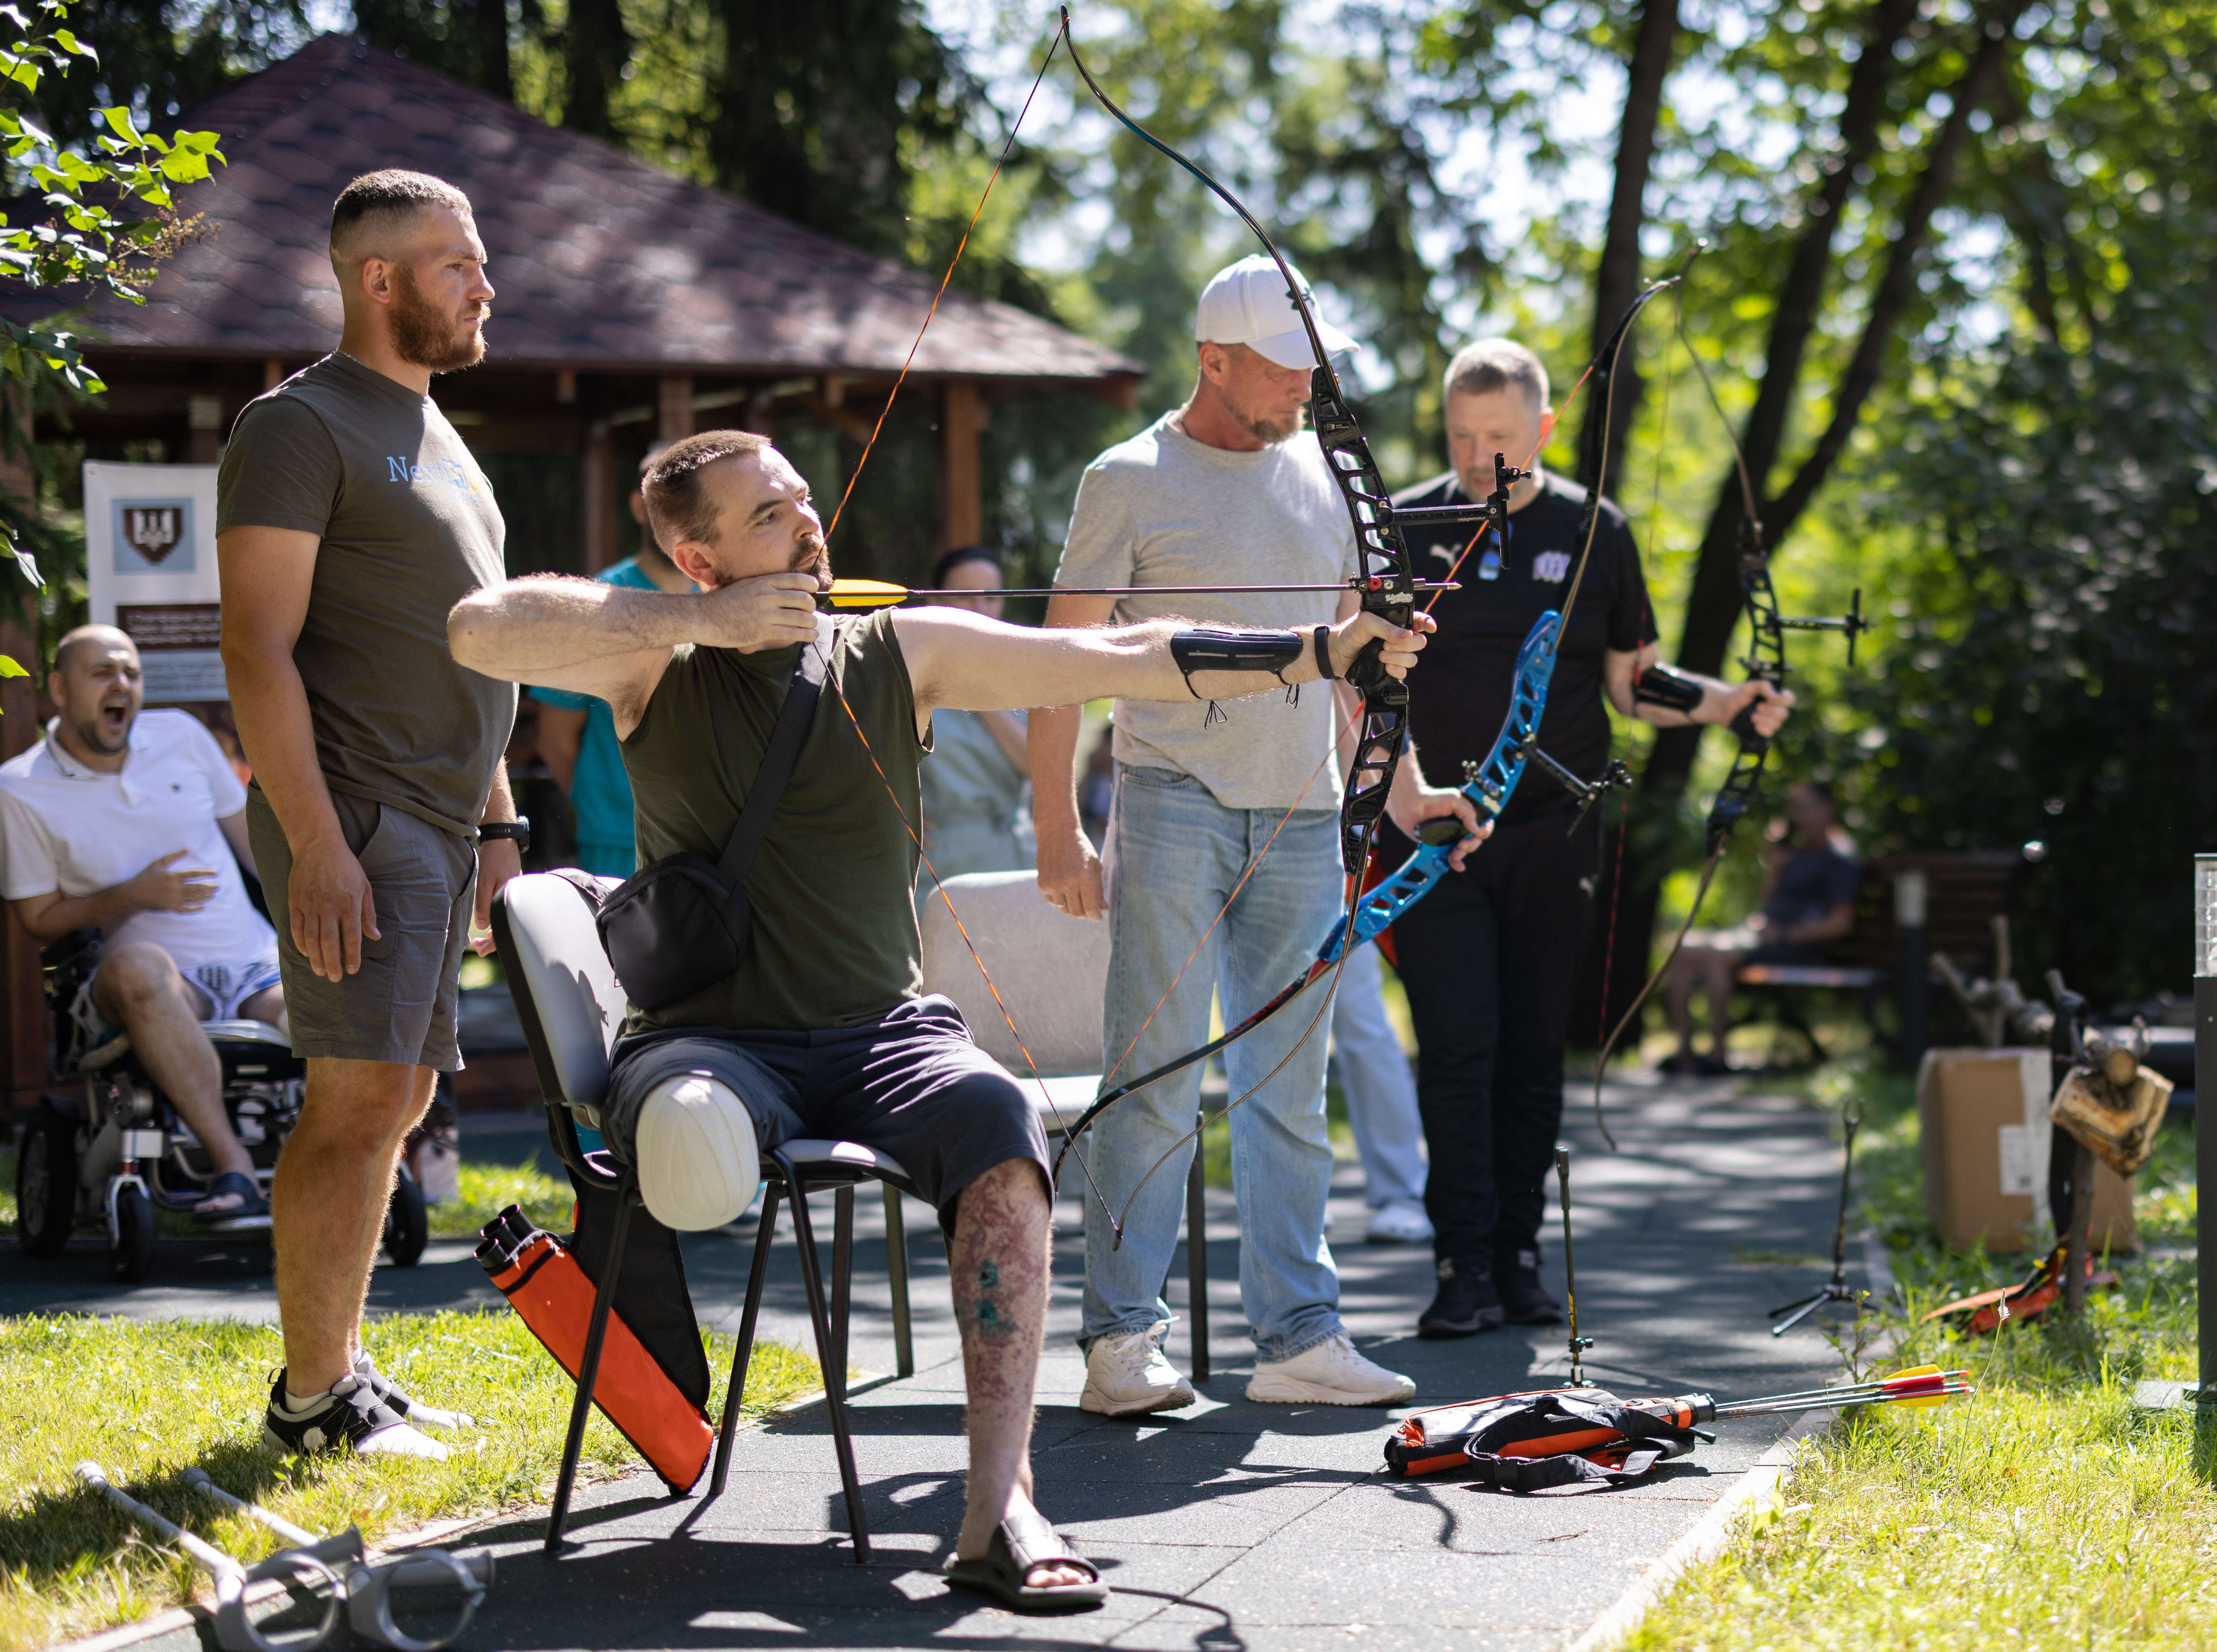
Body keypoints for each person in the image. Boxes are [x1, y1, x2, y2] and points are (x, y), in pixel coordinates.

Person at [445, 428, 1430, 1611]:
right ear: (696, 557)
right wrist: (697, 622)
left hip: (881, 1035)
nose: (805, 523)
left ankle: (999, 1502)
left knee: (998, 1121)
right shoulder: (653, 661)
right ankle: (695, 1163)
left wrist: (1318, 649)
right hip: (711, 1039)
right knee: (694, 1126)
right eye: (765, 516)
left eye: (801, 499)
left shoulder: (896, 648)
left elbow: (1114, 653)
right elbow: (478, 629)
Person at [1032, 255, 1480, 1417]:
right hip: (1170, 799)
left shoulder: (1325, 480)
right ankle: (1121, 1341)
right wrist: (1058, 830)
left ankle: (1298, 1337)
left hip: (1303, 813)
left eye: (1312, 371)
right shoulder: (1126, 478)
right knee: (1154, 1075)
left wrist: (1409, 793)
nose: (1303, 390)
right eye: (1282, 370)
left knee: (1288, 1082)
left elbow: (1350, 665)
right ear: (1213, 360)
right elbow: (1058, 666)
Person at [1383, 339, 1790, 1339]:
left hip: (1553, 828)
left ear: (1543, 428)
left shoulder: (1594, 528)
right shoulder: (1401, 524)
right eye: (1461, 436)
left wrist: (1728, 702)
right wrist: (1411, 796)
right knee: (1457, 1046)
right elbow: (1368, 686)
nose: (1478, 458)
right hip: (1435, 833)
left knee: (1532, 1045)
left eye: (1500, 437)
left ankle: (1519, 1256)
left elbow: (1631, 681)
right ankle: (1461, 1263)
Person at [218, 168, 518, 1459]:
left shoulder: (438, 431)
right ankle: (313, 1399)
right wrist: (320, 843)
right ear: (377, 278)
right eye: (457, 262)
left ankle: (341, 1368)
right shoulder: (299, 425)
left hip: (443, 820)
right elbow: (255, 647)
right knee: (357, 1098)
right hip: (358, 809)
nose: (485, 284)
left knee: (396, 1096)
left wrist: (498, 829)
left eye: (480, 259)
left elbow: (475, 646)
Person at [0, 625, 281, 1228]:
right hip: (154, 988)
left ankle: (340, 1176)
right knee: (141, 968)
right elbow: (39, 921)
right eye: (102, 673)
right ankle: (235, 1168)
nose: (121, 684)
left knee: (337, 985)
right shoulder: (15, 791)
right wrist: (133, 895)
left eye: (131, 673)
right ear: (59, 689)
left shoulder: (183, 735)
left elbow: (257, 847)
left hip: (257, 966)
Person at [530, 484, 699, 878]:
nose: (684, 514)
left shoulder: (728, 601)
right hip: (617, 840)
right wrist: (605, 809)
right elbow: (554, 741)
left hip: (715, 838)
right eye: (671, 498)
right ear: (640, 506)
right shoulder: (595, 605)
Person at [1661, 781, 1863, 1072]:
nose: (1797, 818)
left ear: (1827, 809)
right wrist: (1774, 866)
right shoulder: (1793, 855)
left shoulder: (1838, 860)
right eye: (1793, 810)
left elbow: (1840, 923)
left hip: (1798, 948)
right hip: (1763, 937)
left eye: (1804, 810)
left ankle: (1717, 1056)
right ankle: (1684, 1053)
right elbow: (1766, 905)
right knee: (1680, 949)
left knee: (1717, 956)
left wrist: (1786, 934)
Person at [916, 544, 1035, 895]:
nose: (980, 609)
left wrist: (976, 686)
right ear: (935, 601)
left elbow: (1039, 765)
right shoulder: (910, 675)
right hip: (939, 860)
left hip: (1014, 856)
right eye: (965, 597)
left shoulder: (1028, 672)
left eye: (991, 597)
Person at [1328, 948, 1430, 1243]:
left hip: (1337, 916)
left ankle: (1405, 1193)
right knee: (1269, 1032)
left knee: (1358, 1017)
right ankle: (1291, 1196)